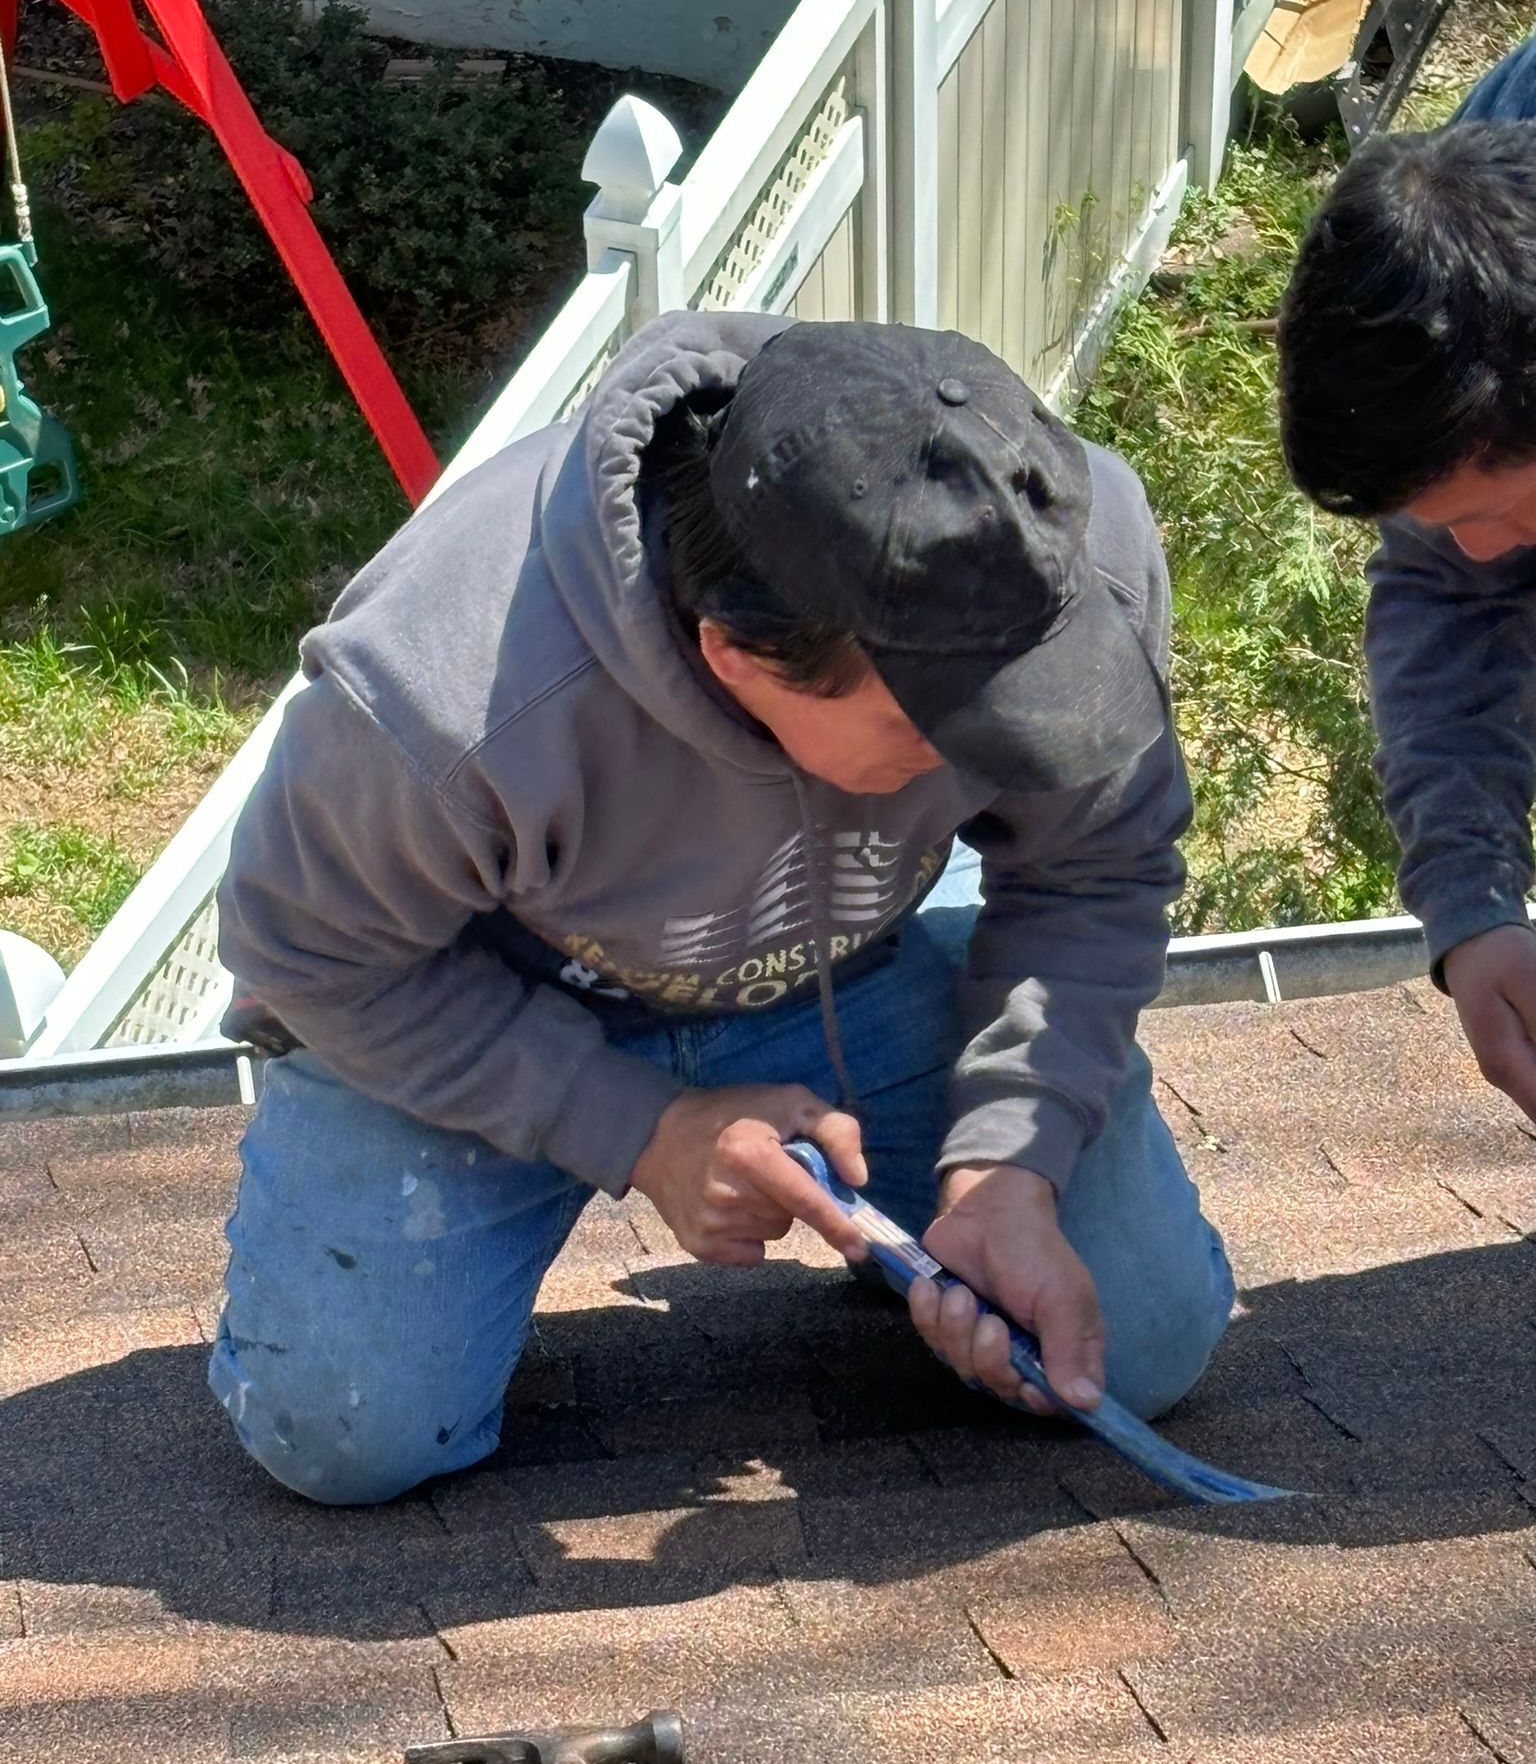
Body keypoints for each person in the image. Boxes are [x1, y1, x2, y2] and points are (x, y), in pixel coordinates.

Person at [211, 313, 1234, 1506]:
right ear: (740, 655)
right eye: (934, 725)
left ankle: (904, 1215)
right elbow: (311, 955)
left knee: (1140, 1345)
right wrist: (639, 1127)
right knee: (348, 1436)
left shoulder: (1058, 558)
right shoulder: (446, 691)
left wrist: (1012, 1154)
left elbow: (1097, 867)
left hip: (858, 961)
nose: (982, 753)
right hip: (488, 1002)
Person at [1277, 39, 1536, 1127]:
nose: (1478, 552)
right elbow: (1451, 595)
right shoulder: (1468, 245)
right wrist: (1475, 905)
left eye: (1491, 511)